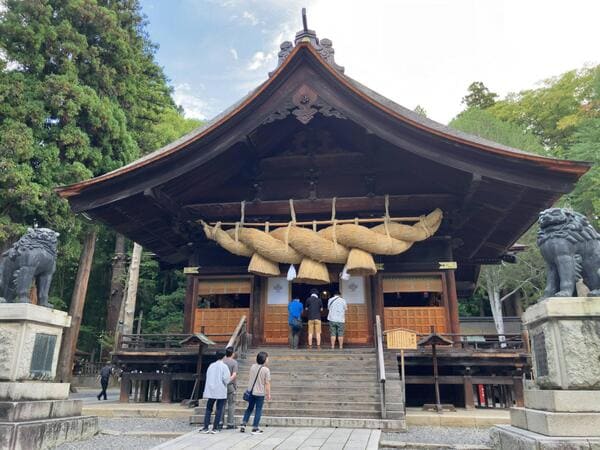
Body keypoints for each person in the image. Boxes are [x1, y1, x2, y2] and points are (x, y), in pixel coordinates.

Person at [200, 350, 233, 434]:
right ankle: (215, 428)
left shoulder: (211, 365)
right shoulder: (224, 366)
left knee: (209, 408)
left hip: (211, 389)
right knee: (219, 409)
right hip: (220, 389)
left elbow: (208, 376)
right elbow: (226, 380)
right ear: (224, 356)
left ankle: (205, 427)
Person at [240, 351, 271, 434]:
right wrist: (268, 394)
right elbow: (267, 383)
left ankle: (243, 424)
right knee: (258, 410)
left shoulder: (252, 367)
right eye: (267, 358)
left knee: (249, 408)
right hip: (260, 393)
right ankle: (255, 427)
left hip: (251, 391)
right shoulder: (266, 370)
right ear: (264, 359)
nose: (268, 359)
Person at [222, 346, 238, 429]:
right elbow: (234, 375)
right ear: (232, 354)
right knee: (231, 404)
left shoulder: (222, 361)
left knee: (222, 404)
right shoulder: (234, 362)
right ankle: (230, 423)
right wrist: (233, 384)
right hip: (230, 385)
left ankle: (220, 422)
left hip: (221, 385)